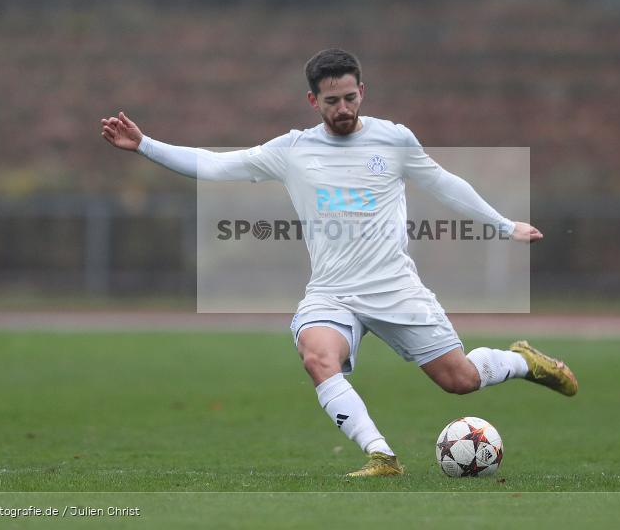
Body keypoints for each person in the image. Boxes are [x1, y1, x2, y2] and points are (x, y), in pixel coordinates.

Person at [101, 48, 578, 477]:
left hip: (396, 291)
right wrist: (145, 145)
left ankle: (523, 361)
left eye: (351, 97)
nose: (344, 109)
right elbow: (214, 165)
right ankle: (381, 456)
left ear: (362, 91)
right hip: (332, 294)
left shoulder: (393, 140)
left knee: (461, 381)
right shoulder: (292, 151)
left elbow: (445, 184)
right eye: (332, 102)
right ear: (313, 101)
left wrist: (502, 225)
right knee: (318, 358)